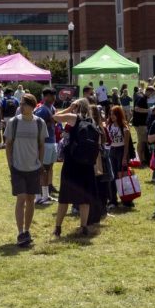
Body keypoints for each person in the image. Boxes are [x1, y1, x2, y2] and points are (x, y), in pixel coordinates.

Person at [53, 98, 100, 237]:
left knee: (64, 198)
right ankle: (84, 226)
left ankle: (58, 227)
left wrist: (69, 107)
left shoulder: (74, 118)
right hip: (87, 165)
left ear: (76, 106)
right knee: (84, 199)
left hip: (72, 163)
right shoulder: (93, 122)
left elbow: (55, 117)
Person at [5, 93, 46, 247]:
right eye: (20, 104)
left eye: (24, 104)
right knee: (21, 198)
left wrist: (40, 163)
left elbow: (41, 145)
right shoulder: (13, 122)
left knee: (30, 200)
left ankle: (27, 230)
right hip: (17, 168)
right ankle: (20, 231)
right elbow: (8, 144)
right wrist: (10, 164)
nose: (21, 107)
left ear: (33, 106)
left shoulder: (39, 123)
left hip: (34, 168)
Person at [35, 87, 58, 207]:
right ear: (45, 97)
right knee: (42, 169)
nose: (54, 97)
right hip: (45, 143)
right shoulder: (42, 110)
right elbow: (36, 124)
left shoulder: (53, 108)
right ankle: (39, 196)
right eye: (51, 95)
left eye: (54, 95)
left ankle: (46, 194)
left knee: (48, 168)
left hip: (52, 141)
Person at [107, 104, 133, 208]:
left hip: (121, 151)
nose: (112, 116)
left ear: (119, 115)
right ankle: (113, 200)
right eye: (111, 114)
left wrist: (124, 158)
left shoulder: (124, 127)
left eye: (114, 114)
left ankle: (127, 200)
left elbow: (126, 145)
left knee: (122, 176)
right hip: (112, 151)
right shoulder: (109, 126)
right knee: (112, 176)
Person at [132, 85, 150, 164]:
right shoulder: (142, 98)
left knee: (143, 141)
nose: (151, 95)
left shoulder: (142, 97)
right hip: (140, 123)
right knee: (141, 141)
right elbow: (136, 108)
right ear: (147, 92)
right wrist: (148, 110)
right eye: (151, 93)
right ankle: (141, 159)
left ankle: (143, 158)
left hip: (141, 123)